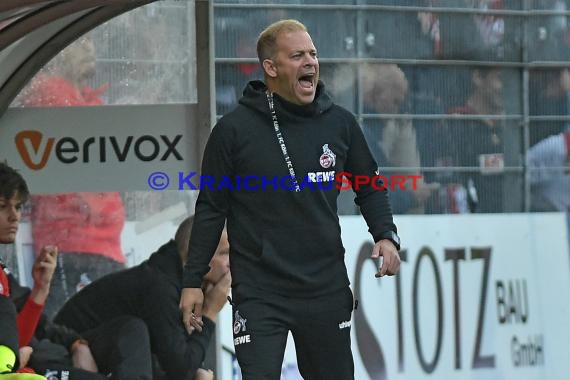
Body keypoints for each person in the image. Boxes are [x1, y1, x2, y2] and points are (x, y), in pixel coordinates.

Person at [180, 19, 401, 380]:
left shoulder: (340, 123)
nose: (310, 62)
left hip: (325, 287)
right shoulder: (233, 131)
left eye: (312, 54)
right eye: (297, 55)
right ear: (271, 67)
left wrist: (386, 235)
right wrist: (192, 281)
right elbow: (211, 209)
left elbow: (369, 184)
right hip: (259, 291)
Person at [17, 35, 126, 318]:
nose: (89, 46)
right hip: (71, 243)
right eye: (78, 40)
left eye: (91, 39)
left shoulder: (90, 100)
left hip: (104, 244)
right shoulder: (51, 94)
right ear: (57, 51)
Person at [54, 216, 231, 380]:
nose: (233, 262)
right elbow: (182, 369)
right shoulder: (160, 286)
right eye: (225, 253)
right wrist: (209, 313)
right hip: (66, 357)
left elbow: (176, 363)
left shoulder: (174, 280)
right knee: (134, 329)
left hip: (97, 355)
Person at [360, 63, 439, 214]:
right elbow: (371, 192)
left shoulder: (370, 131)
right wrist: (411, 196)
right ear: (375, 94)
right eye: (395, 102)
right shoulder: (363, 133)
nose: (395, 110)